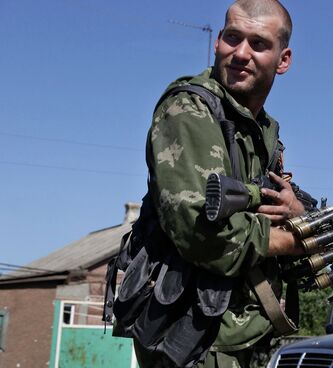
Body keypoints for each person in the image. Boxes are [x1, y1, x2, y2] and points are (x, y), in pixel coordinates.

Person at [130, 0, 307, 366]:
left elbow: (266, 207)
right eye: (232, 37)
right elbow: (202, 232)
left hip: (246, 334)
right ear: (217, 43)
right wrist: (294, 240)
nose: (241, 53)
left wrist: (298, 213)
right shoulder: (190, 110)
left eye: (258, 43)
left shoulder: (261, 130)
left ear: (283, 59)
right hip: (192, 337)